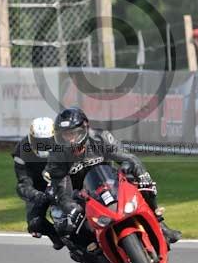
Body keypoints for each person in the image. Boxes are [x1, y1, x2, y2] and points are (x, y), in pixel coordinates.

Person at [45, 107, 181, 245]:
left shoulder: (100, 138)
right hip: (82, 196)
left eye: (73, 133)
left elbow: (129, 158)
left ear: (84, 129)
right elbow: (61, 188)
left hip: (110, 184)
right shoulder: (57, 155)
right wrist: (70, 206)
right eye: (65, 135)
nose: (70, 139)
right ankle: (92, 253)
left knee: (143, 185)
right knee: (68, 225)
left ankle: (159, 224)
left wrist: (142, 176)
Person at [12, 116, 63, 250]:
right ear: (30, 139)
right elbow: (23, 181)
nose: (43, 145)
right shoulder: (22, 149)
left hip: (64, 183)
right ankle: (55, 236)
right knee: (34, 224)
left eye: (47, 141)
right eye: (38, 141)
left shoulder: (65, 144)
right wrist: (35, 194)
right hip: (38, 188)